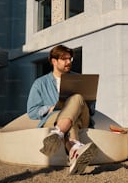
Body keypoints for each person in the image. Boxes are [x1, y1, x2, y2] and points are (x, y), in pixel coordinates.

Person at [27, 45, 97, 175]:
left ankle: (58, 133)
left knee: (76, 98)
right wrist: (50, 108)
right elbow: (32, 111)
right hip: (54, 117)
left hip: (82, 117)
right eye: (64, 59)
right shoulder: (40, 83)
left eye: (70, 59)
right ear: (54, 61)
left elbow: (92, 109)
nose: (69, 62)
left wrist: (83, 102)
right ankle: (75, 151)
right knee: (69, 121)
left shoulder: (79, 79)